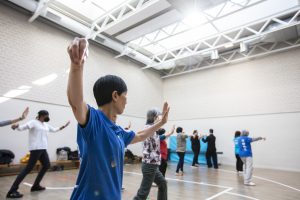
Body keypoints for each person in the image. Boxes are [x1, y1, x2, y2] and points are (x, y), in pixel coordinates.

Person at [67, 38, 170, 200]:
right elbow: (76, 102)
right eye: (125, 96)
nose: (127, 100)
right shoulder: (94, 121)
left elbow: (141, 135)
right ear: (115, 95)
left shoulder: (119, 132)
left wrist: (161, 123)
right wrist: (76, 66)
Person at [6, 110, 70, 198]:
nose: (47, 117)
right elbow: (24, 127)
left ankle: (35, 186)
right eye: (46, 115)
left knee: (46, 165)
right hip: (36, 149)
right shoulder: (34, 122)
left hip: (43, 149)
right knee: (28, 169)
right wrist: (16, 126)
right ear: (41, 115)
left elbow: (54, 130)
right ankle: (12, 191)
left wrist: (63, 126)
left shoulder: (45, 125)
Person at [134, 110, 173, 200]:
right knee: (142, 194)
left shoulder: (153, 130)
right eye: (158, 117)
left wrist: (169, 133)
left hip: (153, 165)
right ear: (154, 117)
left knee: (163, 184)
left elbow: (158, 137)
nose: (160, 119)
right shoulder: (149, 129)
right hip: (149, 165)